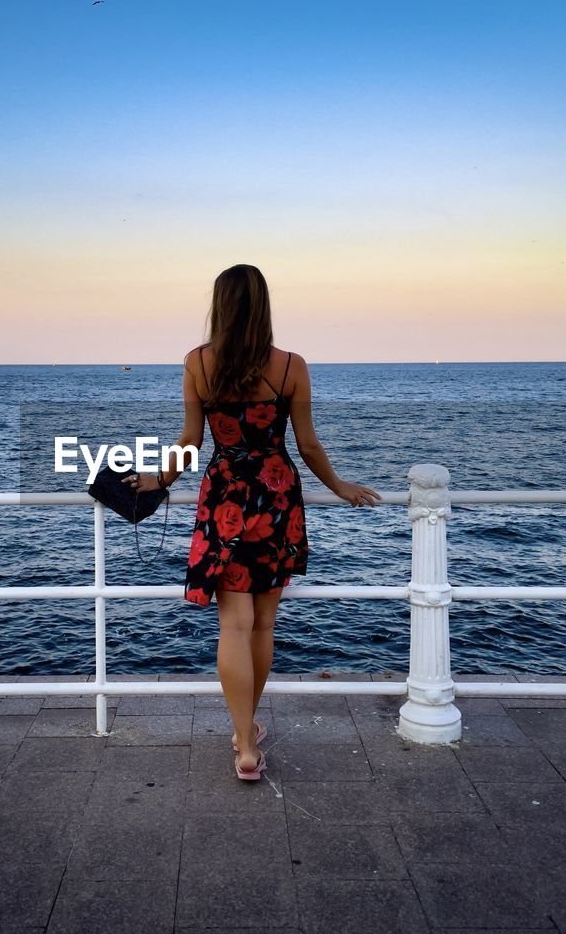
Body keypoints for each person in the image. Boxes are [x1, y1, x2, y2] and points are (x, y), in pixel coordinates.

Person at [126, 264, 381, 781]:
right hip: (276, 496)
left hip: (224, 496)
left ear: (218, 306)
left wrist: (158, 479)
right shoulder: (291, 367)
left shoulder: (199, 363)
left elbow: (191, 442)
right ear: (263, 305)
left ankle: (245, 741)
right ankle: (246, 733)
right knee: (263, 624)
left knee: (233, 625)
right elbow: (307, 445)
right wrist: (340, 487)